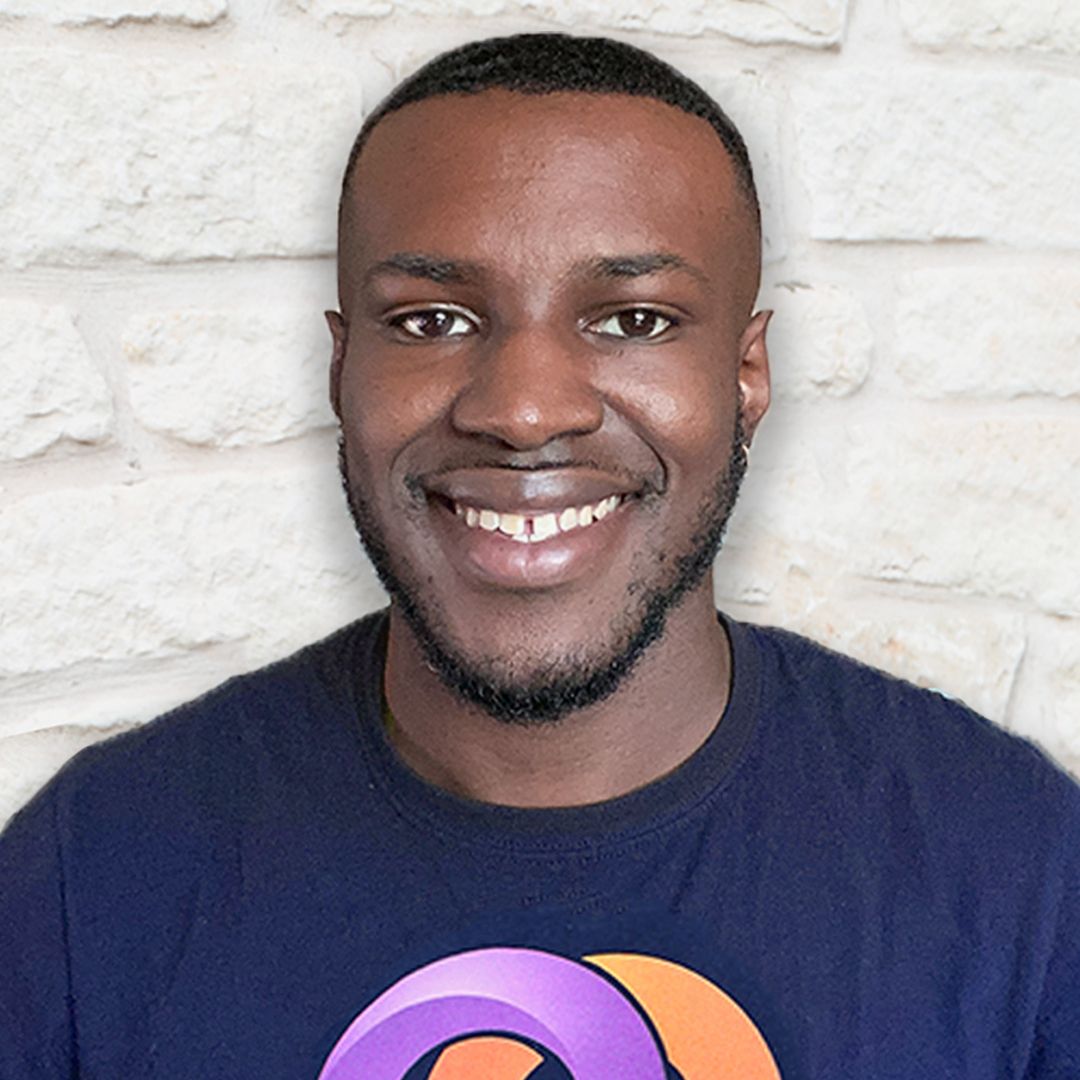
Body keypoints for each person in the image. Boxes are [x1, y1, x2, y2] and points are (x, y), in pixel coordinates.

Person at [1, 33, 1078, 1080]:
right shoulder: (87, 881)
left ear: (746, 375)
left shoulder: (1022, 873)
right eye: (431, 322)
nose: (523, 411)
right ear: (341, 372)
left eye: (634, 320)